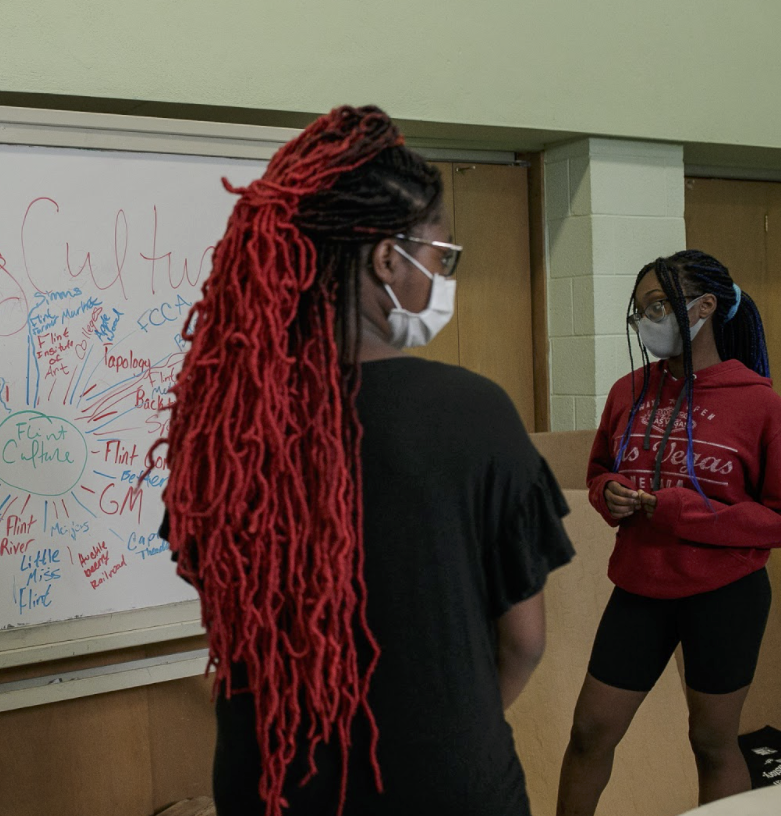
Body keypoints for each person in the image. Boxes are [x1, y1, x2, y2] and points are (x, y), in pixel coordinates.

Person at [155, 106, 575, 816]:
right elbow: (524, 643)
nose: (442, 278)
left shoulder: (225, 425)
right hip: (443, 787)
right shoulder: (474, 414)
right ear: (388, 258)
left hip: (273, 786)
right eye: (442, 257)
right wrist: (440, 730)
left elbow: (218, 599)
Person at [557, 250, 781, 815]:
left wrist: (686, 513)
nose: (647, 322)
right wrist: (607, 492)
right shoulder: (627, 392)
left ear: (705, 307)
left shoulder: (757, 402)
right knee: (591, 731)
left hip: (725, 595)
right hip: (640, 589)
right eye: (640, 312)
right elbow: (599, 472)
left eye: (658, 306)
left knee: (712, 742)